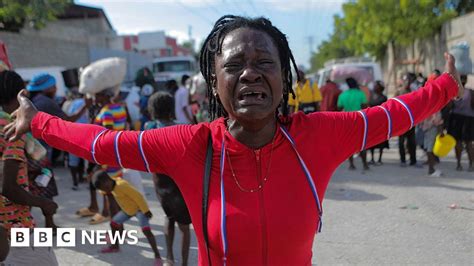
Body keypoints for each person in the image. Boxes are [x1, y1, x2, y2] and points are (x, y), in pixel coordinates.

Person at [4, 16, 463, 265]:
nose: (249, 72)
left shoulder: (320, 135)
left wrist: (445, 86)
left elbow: (391, 116)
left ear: (284, 78)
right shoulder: (190, 144)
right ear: (213, 81)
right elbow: (105, 144)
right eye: (234, 64)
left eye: (264, 61)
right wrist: (37, 121)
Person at [0, 70, 58, 265]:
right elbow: (8, 188)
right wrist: (44, 203)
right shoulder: (12, 127)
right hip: (16, 227)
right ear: (21, 94)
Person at [145, 92, 192, 266]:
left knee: (168, 218)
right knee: (185, 227)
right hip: (179, 185)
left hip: (160, 184)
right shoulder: (182, 129)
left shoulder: (149, 127)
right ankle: (184, 264)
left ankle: (169, 259)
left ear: (152, 110)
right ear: (171, 109)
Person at [77, 87, 125, 225]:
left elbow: (106, 136)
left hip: (106, 153)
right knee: (113, 182)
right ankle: (107, 212)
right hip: (117, 151)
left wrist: (100, 160)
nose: (95, 99)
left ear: (104, 96)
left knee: (106, 184)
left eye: (97, 96)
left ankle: (106, 213)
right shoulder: (119, 108)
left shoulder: (107, 112)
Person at [92, 171, 162, 263]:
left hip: (139, 209)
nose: (105, 191)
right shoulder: (110, 184)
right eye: (103, 190)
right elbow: (104, 185)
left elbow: (138, 197)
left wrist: (146, 210)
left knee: (146, 230)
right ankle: (115, 246)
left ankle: (157, 256)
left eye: (105, 188)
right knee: (113, 223)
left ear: (107, 181)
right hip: (128, 210)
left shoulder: (122, 185)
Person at [337, 77, 370, 170]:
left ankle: (351, 164)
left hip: (348, 121)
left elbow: (339, 108)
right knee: (363, 143)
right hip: (359, 120)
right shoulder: (360, 94)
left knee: (350, 143)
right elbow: (365, 106)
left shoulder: (343, 95)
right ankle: (365, 164)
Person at [447, 74, 474, 171]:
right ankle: (471, 164)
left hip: (456, 118)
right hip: (469, 118)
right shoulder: (470, 92)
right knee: (469, 142)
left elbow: (449, 106)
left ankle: (459, 164)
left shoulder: (454, 92)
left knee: (458, 142)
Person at [65, 90, 89, 190]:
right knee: (85, 159)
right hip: (86, 133)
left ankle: (76, 182)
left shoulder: (73, 103)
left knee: (74, 160)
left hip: (73, 133)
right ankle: (83, 180)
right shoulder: (88, 103)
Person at [397, 72, 419, 167]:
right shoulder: (398, 92)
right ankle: (403, 160)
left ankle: (413, 160)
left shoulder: (414, 92)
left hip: (411, 120)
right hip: (401, 121)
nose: (407, 82)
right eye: (406, 80)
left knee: (412, 141)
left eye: (409, 80)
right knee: (401, 141)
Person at [368, 81, 389, 165]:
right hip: (372, 121)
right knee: (371, 141)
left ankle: (379, 159)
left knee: (381, 141)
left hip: (381, 122)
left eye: (376, 86)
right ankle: (372, 158)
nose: (374, 87)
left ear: (380, 88)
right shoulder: (371, 97)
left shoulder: (383, 97)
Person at [420, 112, 444, 176]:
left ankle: (431, 168)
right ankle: (431, 169)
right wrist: (441, 132)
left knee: (429, 149)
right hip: (433, 128)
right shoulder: (435, 107)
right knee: (431, 150)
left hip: (426, 128)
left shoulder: (427, 107)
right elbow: (437, 121)